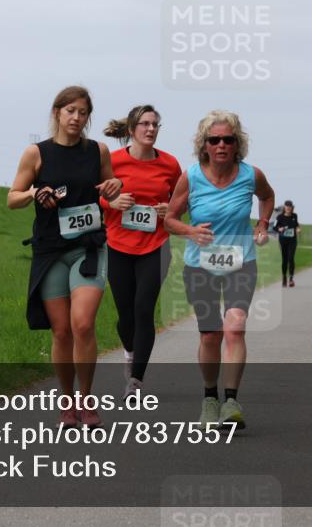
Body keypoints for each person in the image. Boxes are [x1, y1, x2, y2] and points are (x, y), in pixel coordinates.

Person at [8, 86, 123, 429]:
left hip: (88, 248)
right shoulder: (36, 153)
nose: (76, 118)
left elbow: (111, 189)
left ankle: (87, 401)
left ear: (89, 117)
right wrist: (32, 192)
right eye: (70, 110)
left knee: (83, 323)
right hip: (50, 250)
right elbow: (12, 197)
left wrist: (114, 188)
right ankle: (67, 401)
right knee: (61, 332)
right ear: (57, 112)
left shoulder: (98, 151)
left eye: (83, 112)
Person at [165, 111, 274, 429]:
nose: (222, 145)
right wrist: (190, 232)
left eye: (229, 139)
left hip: (242, 262)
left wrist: (262, 223)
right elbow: (170, 219)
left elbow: (267, 197)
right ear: (205, 145)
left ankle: (231, 401)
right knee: (211, 334)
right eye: (215, 140)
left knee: (235, 327)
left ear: (237, 143)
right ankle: (210, 398)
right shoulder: (192, 176)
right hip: (200, 265)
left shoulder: (251, 175)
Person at [101, 105, 182, 401]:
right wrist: (112, 203)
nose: (150, 129)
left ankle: (135, 380)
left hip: (155, 246)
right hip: (118, 245)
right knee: (126, 316)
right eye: (145, 124)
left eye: (155, 124)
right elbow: (92, 197)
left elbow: (182, 201)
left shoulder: (170, 165)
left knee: (144, 309)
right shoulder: (112, 161)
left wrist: (169, 210)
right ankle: (129, 351)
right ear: (132, 128)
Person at [274, 200, 300, 287]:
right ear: (284, 207)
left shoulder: (294, 216)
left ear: (292, 207)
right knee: (284, 260)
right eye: (287, 206)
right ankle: (284, 277)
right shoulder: (280, 217)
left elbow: (296, 225)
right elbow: (274, 227)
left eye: (290, 206)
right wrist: (279, 229)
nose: (288, 208)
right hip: (283, 240)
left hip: (292, 240)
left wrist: (298, 229)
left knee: (291, 258)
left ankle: (291, 279)